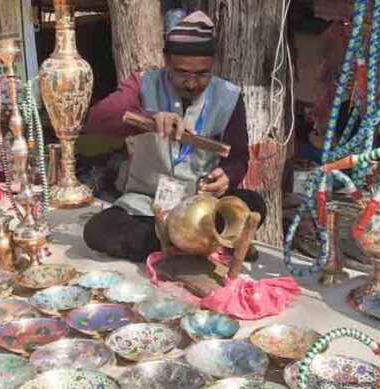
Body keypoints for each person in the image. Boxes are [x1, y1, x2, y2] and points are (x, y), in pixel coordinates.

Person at [82, 11, 267, 263]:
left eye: (202, 74)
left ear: (212, 64)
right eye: (182, 72)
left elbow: (238, 158)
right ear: (166, 61)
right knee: (97, 232)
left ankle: (182, 243)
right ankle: (199, 243)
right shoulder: (143, 83)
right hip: (147, 204)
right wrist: (149, 117)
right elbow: (98, 119)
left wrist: (227, 176)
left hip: (201, 206)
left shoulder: (229, 96)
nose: (191, 83)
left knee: (253, 205)